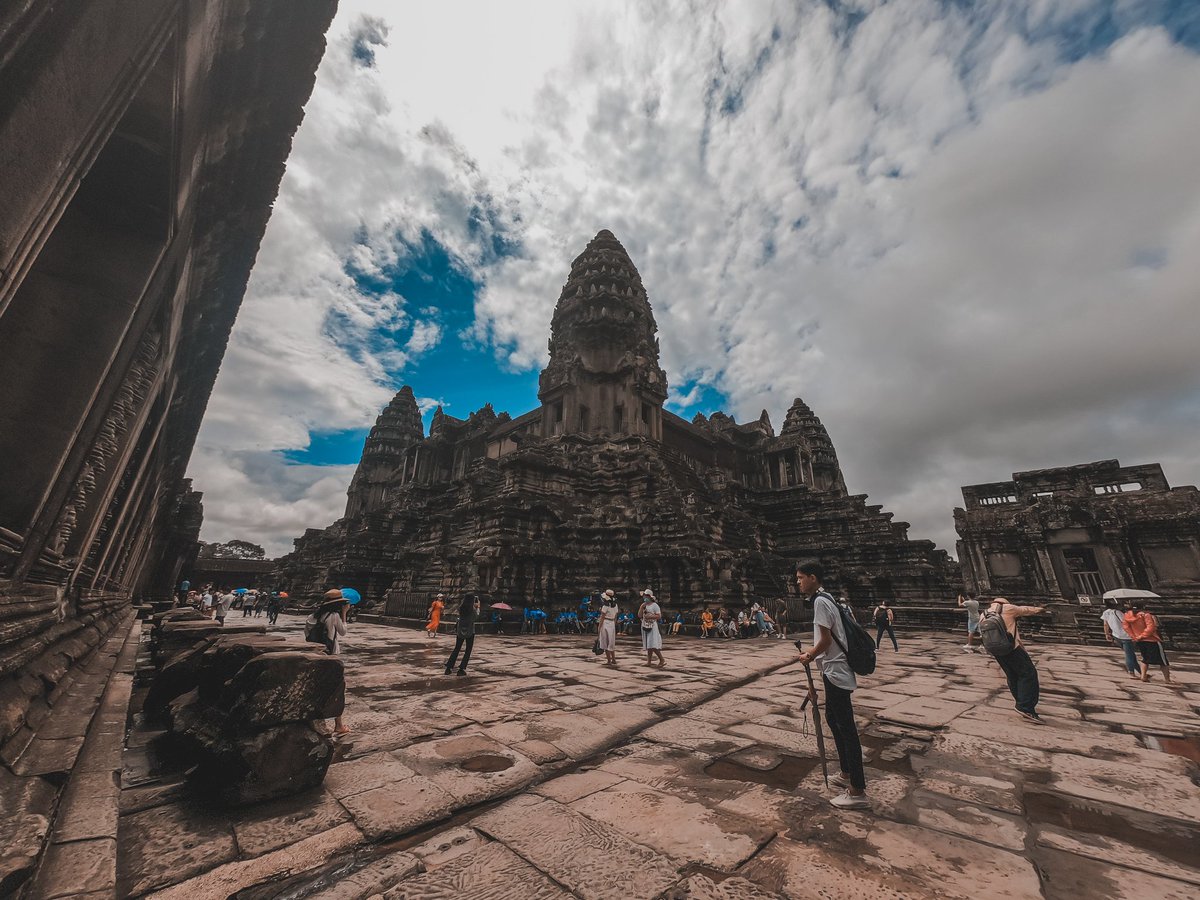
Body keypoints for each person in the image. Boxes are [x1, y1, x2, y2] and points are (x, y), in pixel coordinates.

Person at [794, 560, 868, 810]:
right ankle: (846, 772)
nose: (798, 582)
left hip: (836, 671)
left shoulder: (820, 602)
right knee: (833, 720)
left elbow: (825, 640)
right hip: (832, 670)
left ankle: (857, 790)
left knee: (846, 728)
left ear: (813, 577)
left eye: (801, 577)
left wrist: (809, 655)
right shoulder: (827, 599)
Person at [986, 597, 1046, 723]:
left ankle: (1021, 701)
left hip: (996, 650)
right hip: (1012, 648)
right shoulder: (1008, 608)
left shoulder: (984, 613)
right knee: (1028, 674)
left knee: (1012, 675)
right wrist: (1041, 609)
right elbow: (1026, 610)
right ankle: (1025, 707)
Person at [314, 592, 350, 736]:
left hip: (315, 654)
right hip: (331, 655)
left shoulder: (313, 617)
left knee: (317, 687)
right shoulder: (334, 616)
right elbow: (343, 632)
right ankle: (339, 725)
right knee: (337, 688)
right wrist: (344, 614)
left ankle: (314, 721)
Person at [1124, 601, 1172, 684]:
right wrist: (1142, 635)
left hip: (1139, 640)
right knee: (1163, 661)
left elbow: (1126, 627)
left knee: (1145, 658)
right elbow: (1150, 628)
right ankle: (1167, 679)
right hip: (1151, 640)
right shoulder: (1146, 615)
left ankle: (1143, 675)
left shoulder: (1127, 615)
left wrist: (1135, 637)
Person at [1101, 598, 1139, 678]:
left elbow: (1105, 624)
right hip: (1126, 636)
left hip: (1116, 636)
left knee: (1131, 654)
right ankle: (1131, 671)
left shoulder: (1106, 612)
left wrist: (1107, 634)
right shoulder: (1118, 612)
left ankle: (1141, 671)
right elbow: (1126, 622)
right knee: (1129, 654)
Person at [444, 594, 480, 676]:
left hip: (460, 630)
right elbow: (476, 617)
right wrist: (478, 607)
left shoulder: (461, 608)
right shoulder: (472, 609)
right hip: (470, 631)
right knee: (468, 650)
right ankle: (461, 669)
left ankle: (448, 668)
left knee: (457, 648)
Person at [638, 588, 665, 668]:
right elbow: (639, 615)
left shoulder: (655, 605)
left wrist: (650, 616)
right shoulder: (644, 605)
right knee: (648, 644)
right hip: (645, 625)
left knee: (652, 644)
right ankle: (649, 661)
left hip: (652, 626)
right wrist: (641, 607)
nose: (644, 598)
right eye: (644, 596)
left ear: (650, 597)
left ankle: (661, 659)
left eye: (646, 596)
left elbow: (659, 616)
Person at [598, 589, 619, 667]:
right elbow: (616, 616)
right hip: (612, 623)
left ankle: (609, 660)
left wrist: (599, 627)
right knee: (611, 642)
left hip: (605, 623)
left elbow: (602, 617)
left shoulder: (605, 606)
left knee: (605, 642)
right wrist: (614, 624)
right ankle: (613, 659)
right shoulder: (615, 605)